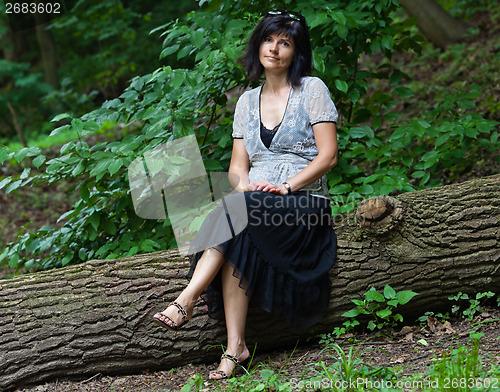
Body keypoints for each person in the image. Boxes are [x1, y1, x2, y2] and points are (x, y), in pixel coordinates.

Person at [153, 9, 338, 380]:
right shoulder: (245, 102)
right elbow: (238, 167)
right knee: (239, 218)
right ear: (258, 46)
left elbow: (328, 155)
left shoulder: (312, 89)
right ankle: (235, 348)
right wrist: (246, 185)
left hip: (302, 202)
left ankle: (186, 298)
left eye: (285, 42)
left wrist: (287, 186)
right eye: (269, 40)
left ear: (296, 52)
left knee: (237, 212)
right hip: (255, 202)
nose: (275, 48)